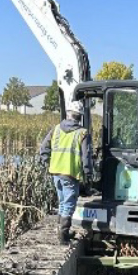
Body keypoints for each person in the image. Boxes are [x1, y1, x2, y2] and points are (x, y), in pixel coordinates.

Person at [39, 100, 93, 244]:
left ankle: (61, 230)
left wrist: (48, 163)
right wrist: (88, 174)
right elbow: (86, 156)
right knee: (69, 204)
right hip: (70, 172)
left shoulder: (56, 129)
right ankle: (63, 236)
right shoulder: (82, 133)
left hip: (56, 171)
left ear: (68, 113)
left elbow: (43, 148)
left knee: (62, 202)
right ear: (80, 116)